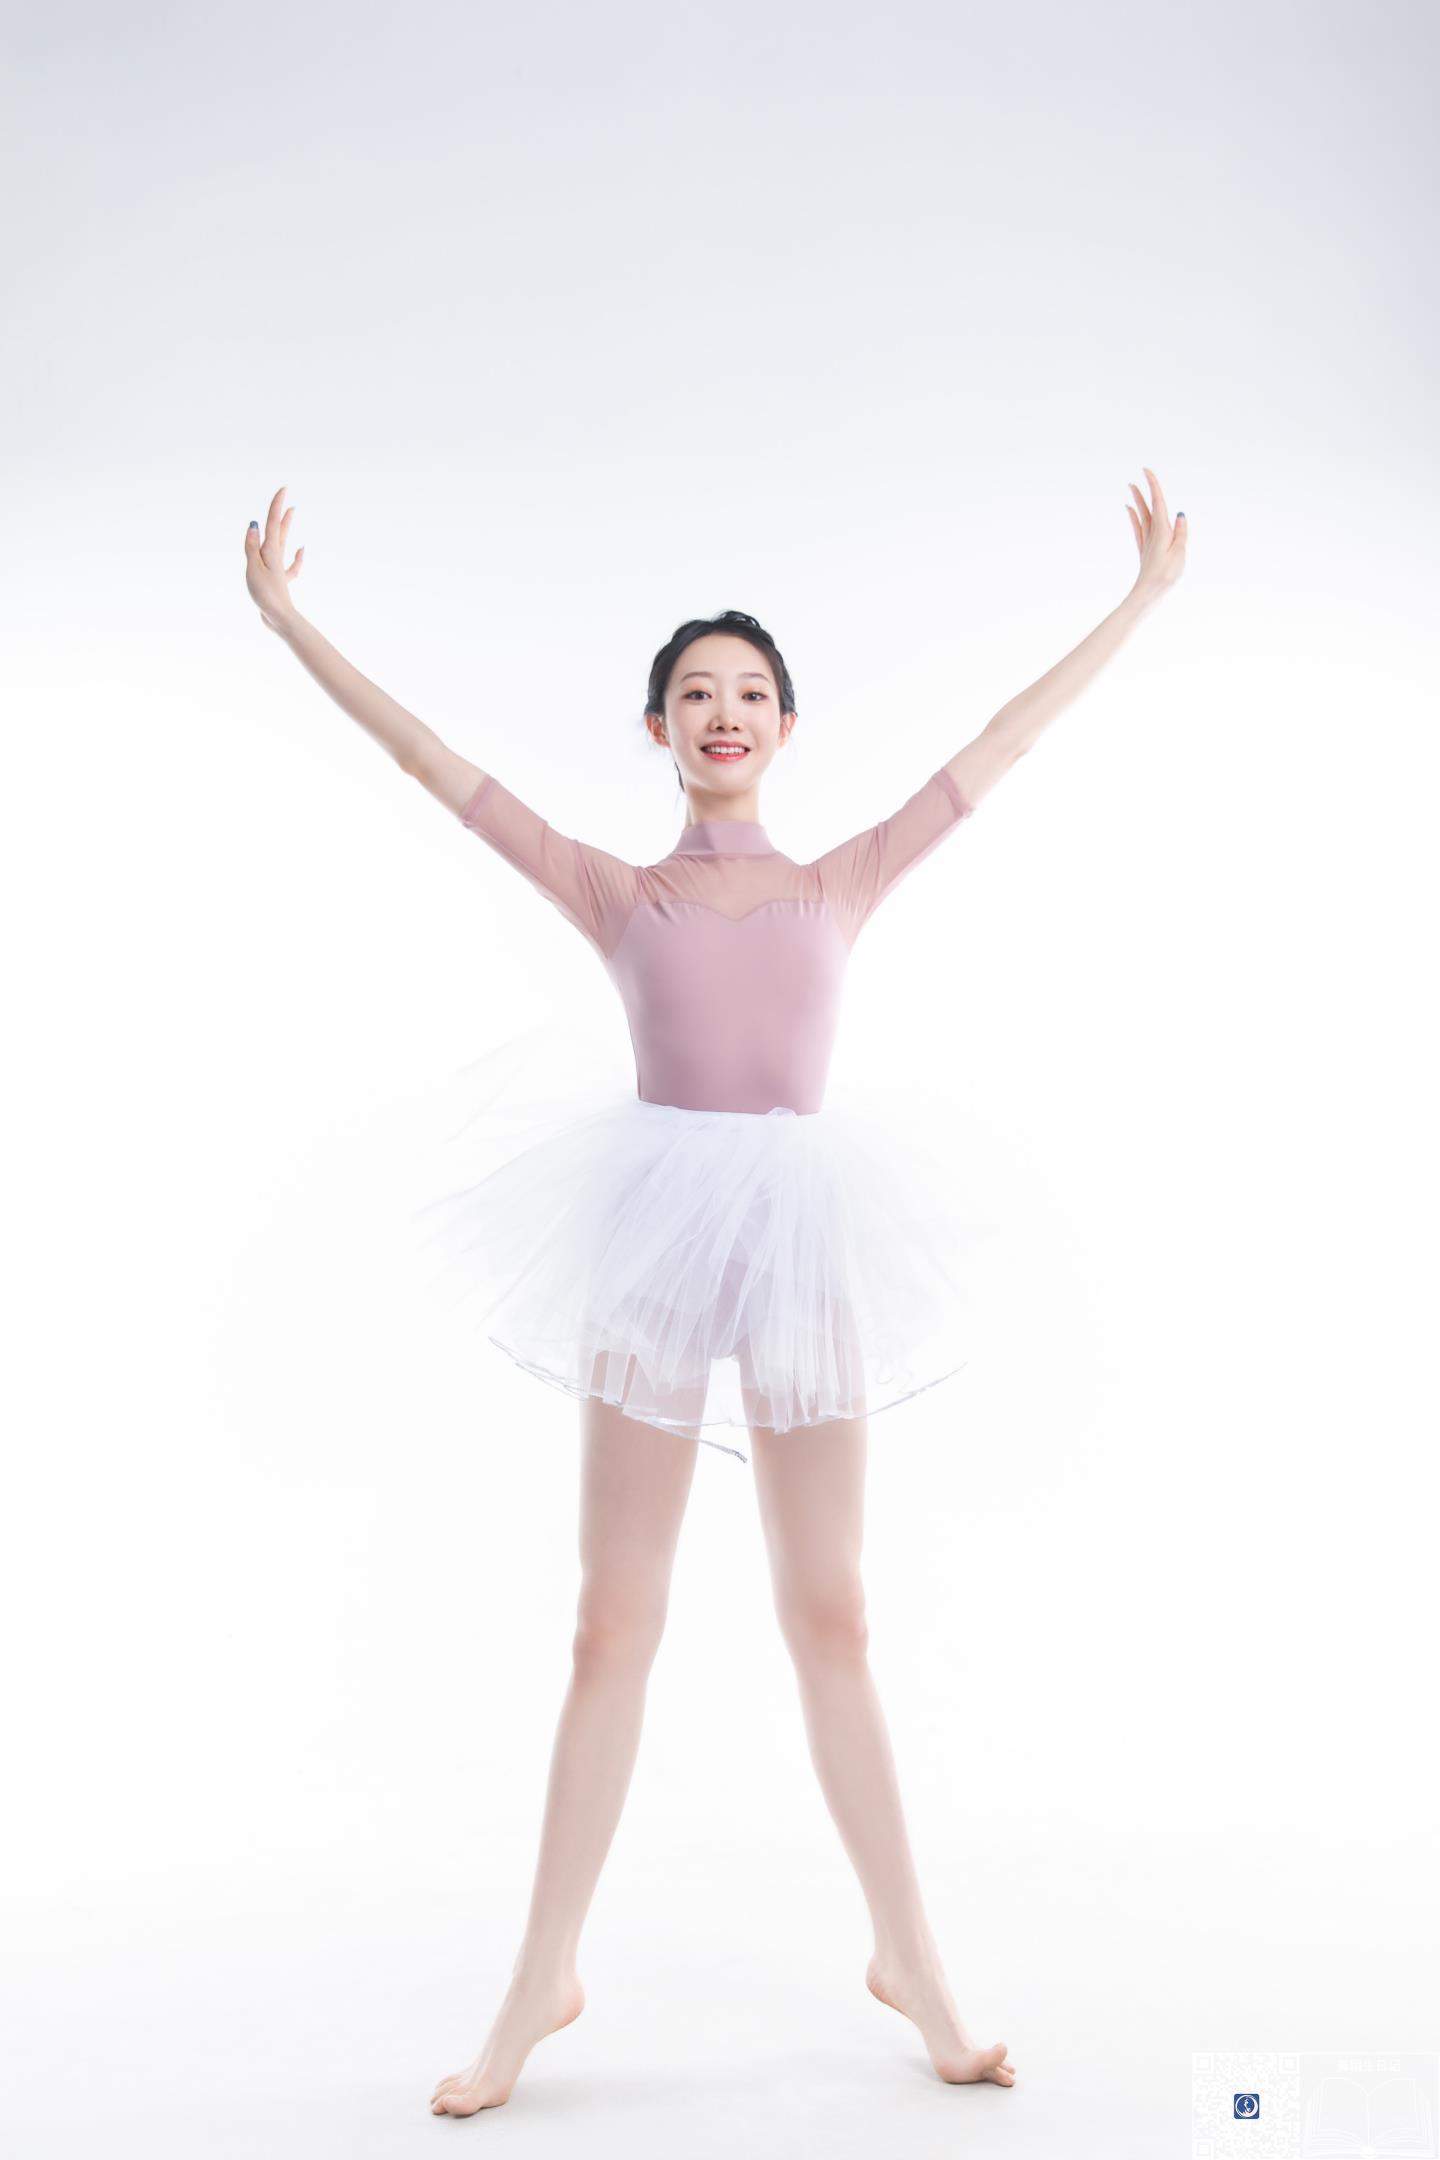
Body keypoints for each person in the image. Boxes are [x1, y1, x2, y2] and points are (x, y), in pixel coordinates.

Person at [242, 476, 1187, 2115]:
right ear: (661, 731)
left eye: (750, 691)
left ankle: (915, 1963)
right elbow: (428, 762)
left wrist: (1144, 599)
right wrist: (285, 621)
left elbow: (1006, 742)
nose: (725, 711)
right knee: (613, 1616)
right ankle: (540, 1977)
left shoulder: (843, 880)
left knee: (836, 1612)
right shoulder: (623, 892)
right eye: (696, 693)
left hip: (808, 1242)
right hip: (654, 1244)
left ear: (787, 727)